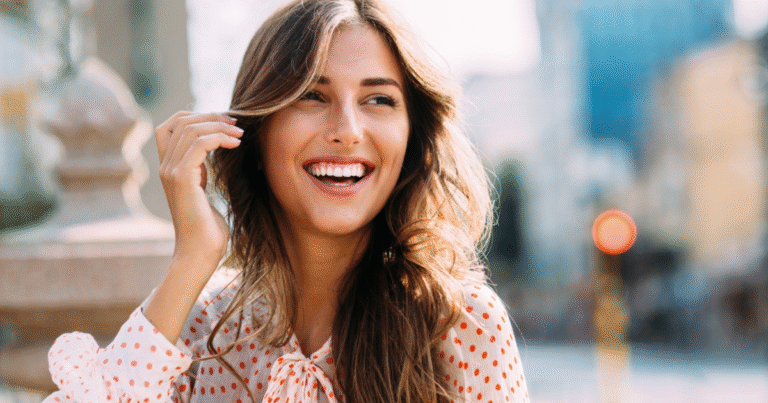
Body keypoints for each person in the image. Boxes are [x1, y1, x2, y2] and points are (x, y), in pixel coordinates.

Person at [45, 0, 529, 402]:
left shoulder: (459, 324)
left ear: (412, 141)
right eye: (311, 97)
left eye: (378, 100)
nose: (347, 131)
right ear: (254, 134)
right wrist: (192, 258)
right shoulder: (201, 330)